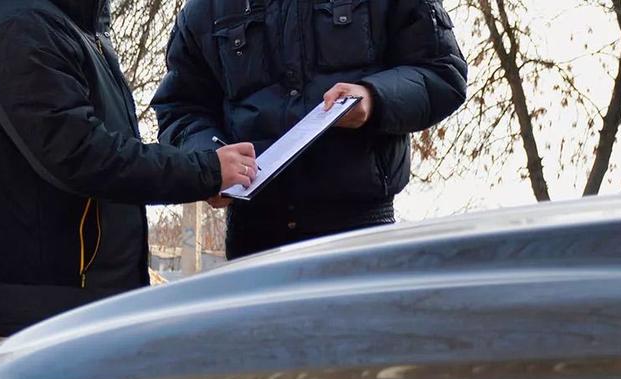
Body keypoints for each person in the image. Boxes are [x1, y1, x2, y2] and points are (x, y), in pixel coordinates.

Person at [0, 0, 258, 343]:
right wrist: (204, 171)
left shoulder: (76, 27)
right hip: (48, 313)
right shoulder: (16, 24)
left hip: (88, 300)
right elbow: (80, 154)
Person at [153, 0, 469, 259]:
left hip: (361, 231)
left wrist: (373, 98)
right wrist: (209, 164)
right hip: (254, 238)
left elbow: (442, 72)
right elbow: (181, 107)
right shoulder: (204, 10)